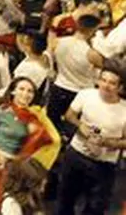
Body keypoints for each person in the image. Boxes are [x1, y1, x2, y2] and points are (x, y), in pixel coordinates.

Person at [55, 67, 126, 215]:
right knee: (65, 200)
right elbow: (70, 115)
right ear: (98, 80)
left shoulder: (124, 109)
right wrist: (81, 126)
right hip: (76, 155)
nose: (106, 86)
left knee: (95, 208)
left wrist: (107, 142)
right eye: (103, 80)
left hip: (104, 164)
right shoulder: (85, 95)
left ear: (120, 87)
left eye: (112, 83)